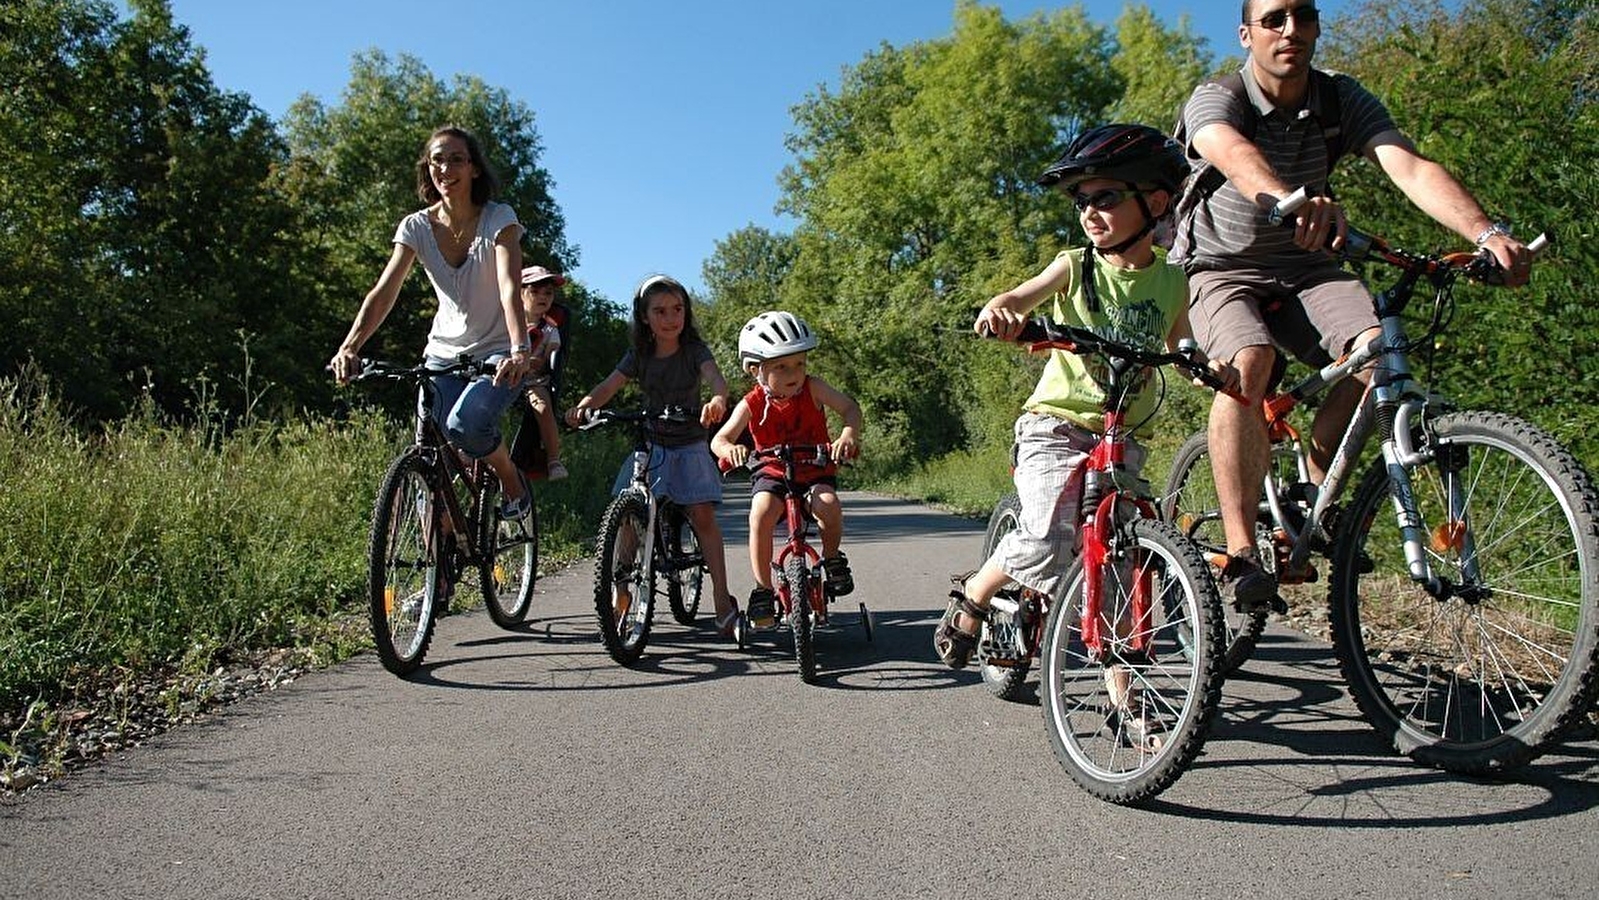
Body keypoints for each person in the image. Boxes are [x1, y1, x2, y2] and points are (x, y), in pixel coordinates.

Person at [1171, 0, 1534, 610]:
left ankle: (1314, 499)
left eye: (1304, 17)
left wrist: (1486, 233)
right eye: (1274, 19)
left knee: (1378, 354)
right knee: (1249, 362)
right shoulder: (1220, 96)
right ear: (1246, 35)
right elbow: (1228, 151)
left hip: (1308, 266)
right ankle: (1241, 553)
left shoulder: (1340, 99)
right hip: (1220, 266)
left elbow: (1409, 165)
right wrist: (1290, 198)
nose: (1291, 30)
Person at [934, 124, 1207, 702]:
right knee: (1050, 534)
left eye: (1105, 197)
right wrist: (1002, 313)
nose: (1089, 211)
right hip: (1056, 425)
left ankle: (1125, 696)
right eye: (1081, 201)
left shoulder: (1172, 280)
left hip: (1123, 435)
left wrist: (1211, 369)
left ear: (1156, 202)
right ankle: (978, 591)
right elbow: (1017, 298)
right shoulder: (1075, 266)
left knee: (1121, 561)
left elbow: (1182, 346)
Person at [328, 125, 534, 519]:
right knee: (429, 454)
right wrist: (349, 346)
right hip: (442, 354)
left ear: (474, 168)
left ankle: (510, 478)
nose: (445, 168)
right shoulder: (416, 227)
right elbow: (384, 292)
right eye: (437, 160)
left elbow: (510, 287)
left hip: (498, 353)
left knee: (464, 423)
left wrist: (519, 348)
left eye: (456, 159)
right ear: (428, 167)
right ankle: (439, 554)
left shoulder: (498, 218)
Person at [563, 274, 740, 633]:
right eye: (660, 311)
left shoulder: (694, 351)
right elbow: (609, 385)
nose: (671, 318)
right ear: (644, 317)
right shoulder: (639, 356)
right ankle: (622, 591)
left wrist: (718, 400)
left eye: (678, 309)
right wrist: (584, 406)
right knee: (629, 517)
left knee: (702, 515)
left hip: (688, 443)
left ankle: (722, 598)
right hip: (652, 443)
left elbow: (716, 379)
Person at [711, 311, 864, 629]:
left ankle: (832, 558)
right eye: (781, 366)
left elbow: (850, 408)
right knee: (761, 512)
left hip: (813, 469)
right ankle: (763, 589)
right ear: (755, 369)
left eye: (800, 363)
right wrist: (730, 450)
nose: (794, 373)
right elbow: (719, 440)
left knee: (828, 503)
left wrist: (848, 435)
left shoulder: (813, 388)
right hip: (772, 473)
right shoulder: (751, 403)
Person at [518, 264, 568, 481]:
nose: (542, 297)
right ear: (519, 293)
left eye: (548, 293)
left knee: (543, 408)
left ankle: (553, 458)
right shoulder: (505, 323)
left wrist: (534, 362)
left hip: (532, 381)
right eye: (535, 291)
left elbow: (547, 360)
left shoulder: (549, 329)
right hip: (500, 377)